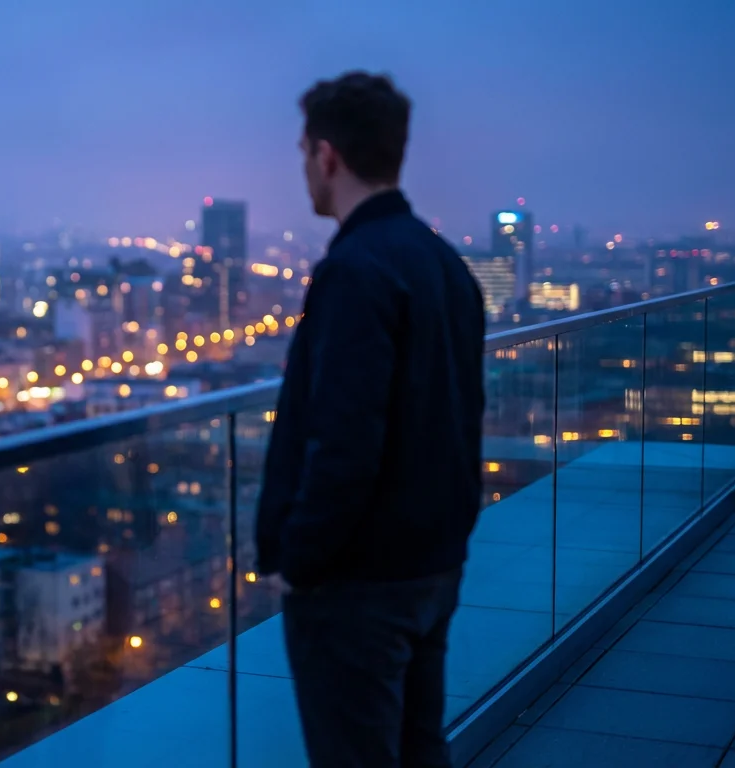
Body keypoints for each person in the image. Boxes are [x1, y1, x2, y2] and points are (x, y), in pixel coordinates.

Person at [254, 72, 487, 768]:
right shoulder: (446, 267)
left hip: (358, 583)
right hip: (432, 564)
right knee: (419, 749)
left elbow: (343, 440)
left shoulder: (356, 271)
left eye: (303, 152)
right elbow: (460, 416)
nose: (303, 169)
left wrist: (300, 562)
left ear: (327, 155)